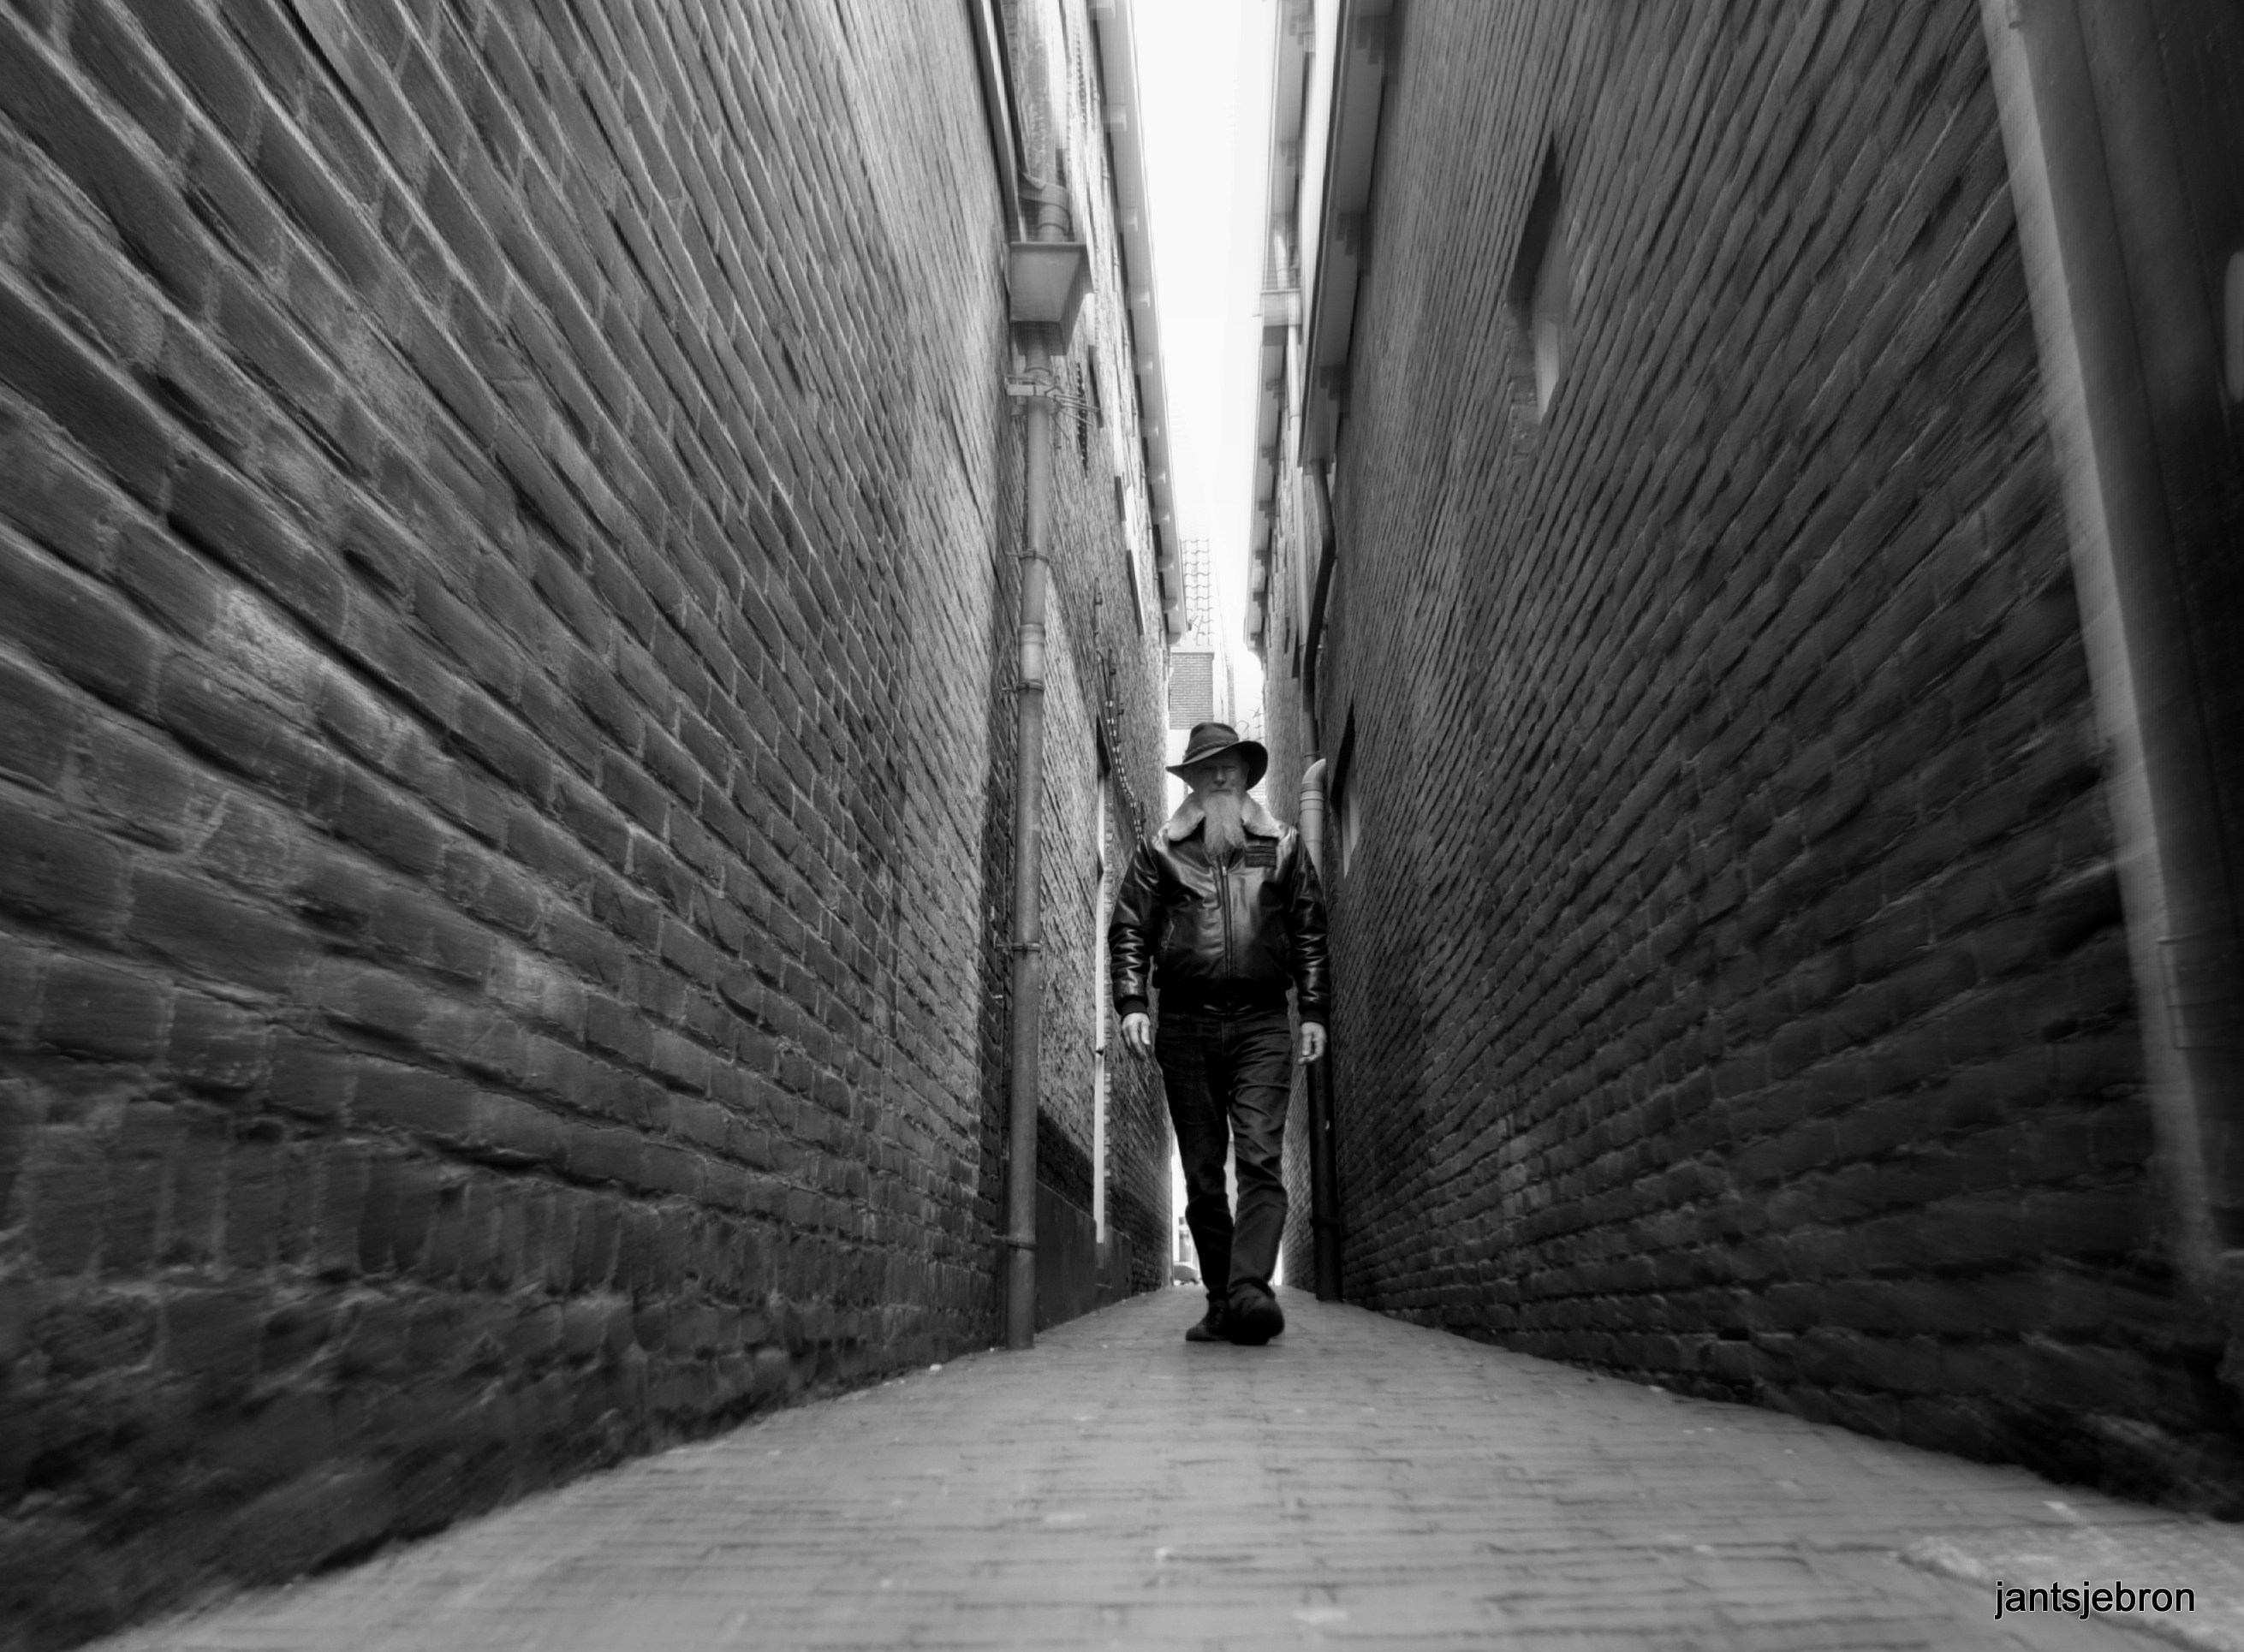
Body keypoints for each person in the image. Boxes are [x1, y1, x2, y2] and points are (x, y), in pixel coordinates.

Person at [1108, 722, 1330, 1346]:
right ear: (1194, 783)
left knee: (1260, 1159)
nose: (1223, 774)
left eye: (1232, 764)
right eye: (1210, 767)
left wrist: (1313, 1011)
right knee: (1203, 1175)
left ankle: (1248, 1291)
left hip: (1263, 1021)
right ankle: (1220, 1302)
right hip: (1185, 1024)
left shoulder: (1282, 845)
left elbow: (1309, 930)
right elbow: (1129, 929)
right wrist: (1132, 1002)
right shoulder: (1160, 850)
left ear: (1245, 773)